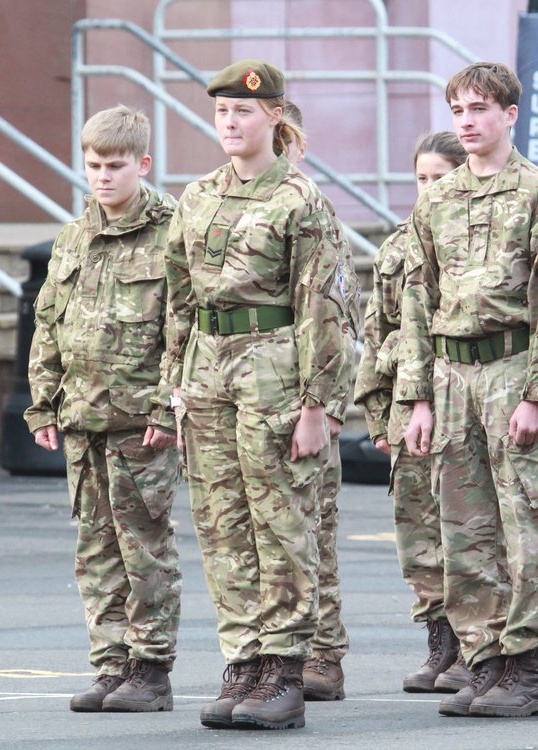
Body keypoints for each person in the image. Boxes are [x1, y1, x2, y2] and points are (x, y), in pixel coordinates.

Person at [161, 59, 353, 731]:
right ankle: (243, 660)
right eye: (220, 113)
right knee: (221, 524)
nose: (230, 123)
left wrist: (317, 406)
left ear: (275, 115)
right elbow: (178, 296)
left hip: (274, 369)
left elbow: (323, 309)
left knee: (282, 524)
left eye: (243, 111)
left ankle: (284, 668)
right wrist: (175, 383)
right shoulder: (197, 196)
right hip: (209, 371)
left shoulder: (299, 201)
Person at [23, 105, 182, 714]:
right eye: (92, 166)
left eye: (115, 166)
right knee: (95, 550)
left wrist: (167, 410)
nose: (103, 177)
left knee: (144, 548)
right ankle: (111, 663)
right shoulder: (74, 236)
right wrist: (42, 406)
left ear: (142, 163)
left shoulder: (172, 234)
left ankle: (150, 668)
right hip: (82, 417)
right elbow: (48, 325)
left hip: (140, 422)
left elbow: (182, 328)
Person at [397, 62, 538, 718]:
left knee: (524, 525)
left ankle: (526, 663)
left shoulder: (533, 192)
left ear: (510, 114)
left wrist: (535, 394)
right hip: (450, 375)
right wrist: (417, 398)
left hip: (512, 367)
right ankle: (482, 660)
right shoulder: (440, 198)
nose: (468, 122)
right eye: (458, 111)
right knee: (464, 527)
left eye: (480, 109)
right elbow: (417, 301)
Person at [354, 132, 470, 695]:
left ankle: (479, 646)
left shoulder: (470, 241)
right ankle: (441, 643)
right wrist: (378, 414)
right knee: (419, 534)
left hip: (459, 397)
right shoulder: (398, 246)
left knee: (469, 529)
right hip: (407, 407)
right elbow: (378, 336)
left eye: (440, 178)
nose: (429, 189)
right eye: (421, 179)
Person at [283, 101, 360, 702]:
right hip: (248, 391)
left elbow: (340, 315)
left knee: (317, 530)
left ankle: (323, 651)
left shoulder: (313, 212)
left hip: (306, 391)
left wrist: (328, 403)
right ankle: (277, 648)